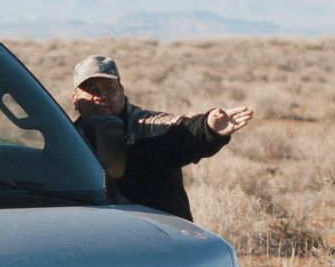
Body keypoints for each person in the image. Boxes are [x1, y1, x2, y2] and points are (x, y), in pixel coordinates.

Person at [69, 55, 254, 222]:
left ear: (121, 91)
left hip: (161, 238)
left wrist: (208, 127)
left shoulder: (148, 127)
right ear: (75, 99)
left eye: (109, 88)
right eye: (91, 89)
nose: (101, 96)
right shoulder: (67, 139)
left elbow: (181, 130)